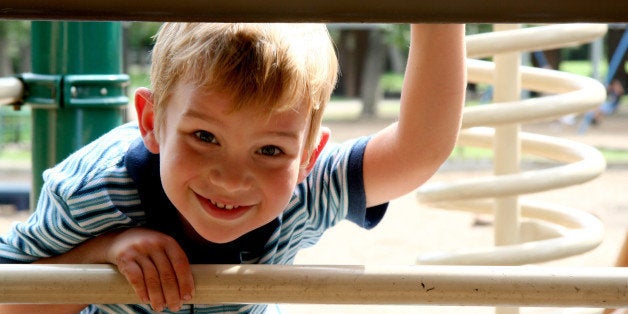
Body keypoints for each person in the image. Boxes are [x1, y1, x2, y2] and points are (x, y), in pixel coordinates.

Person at [0, 23, 466, 313]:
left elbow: (418, 150)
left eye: (269, 151)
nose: (231, 178)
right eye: (205, 138)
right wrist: (101, 254)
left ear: (307, 156)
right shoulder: (93, 191)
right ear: (151, 123)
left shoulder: (305, 189)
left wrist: (437, 16)